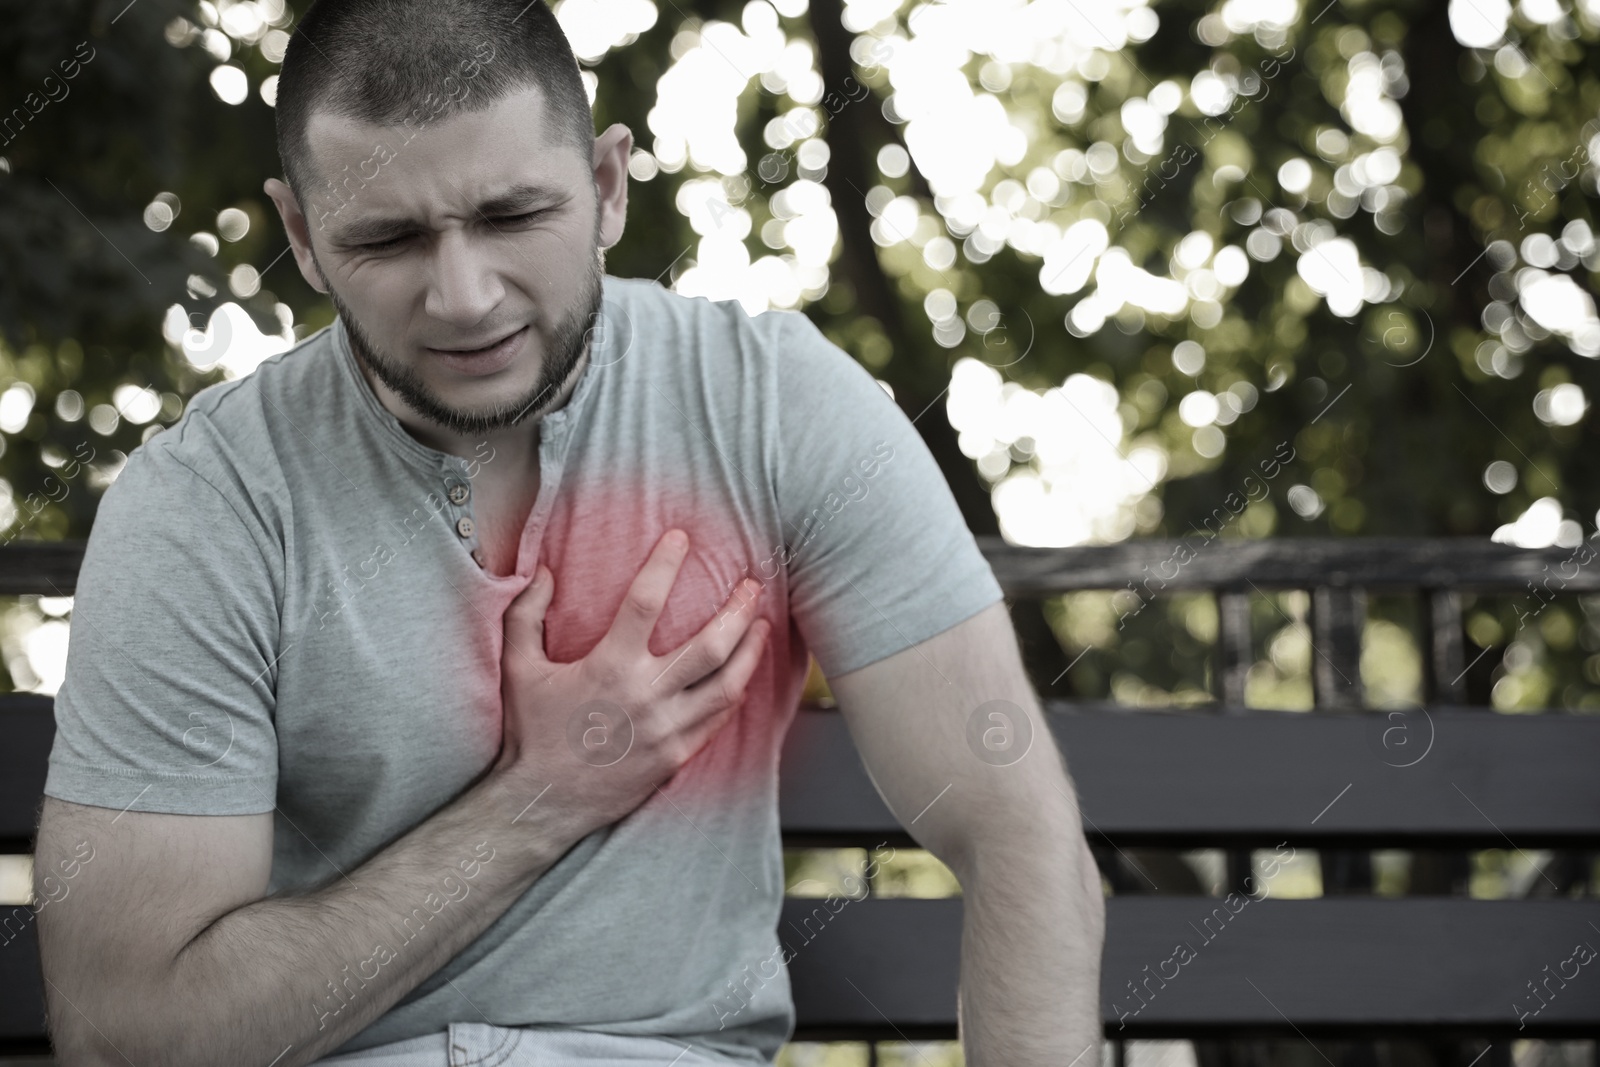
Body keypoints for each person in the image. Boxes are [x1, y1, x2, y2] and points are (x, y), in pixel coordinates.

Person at [32, 1, 1105, 1064]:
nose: (463, 296)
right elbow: (133, 1033)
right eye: (389, 237)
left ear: (604, 186)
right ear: (303, 238)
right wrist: (536, 803)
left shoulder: (774, 406)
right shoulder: (209, 501)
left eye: (509, 217)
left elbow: (1017, 831)